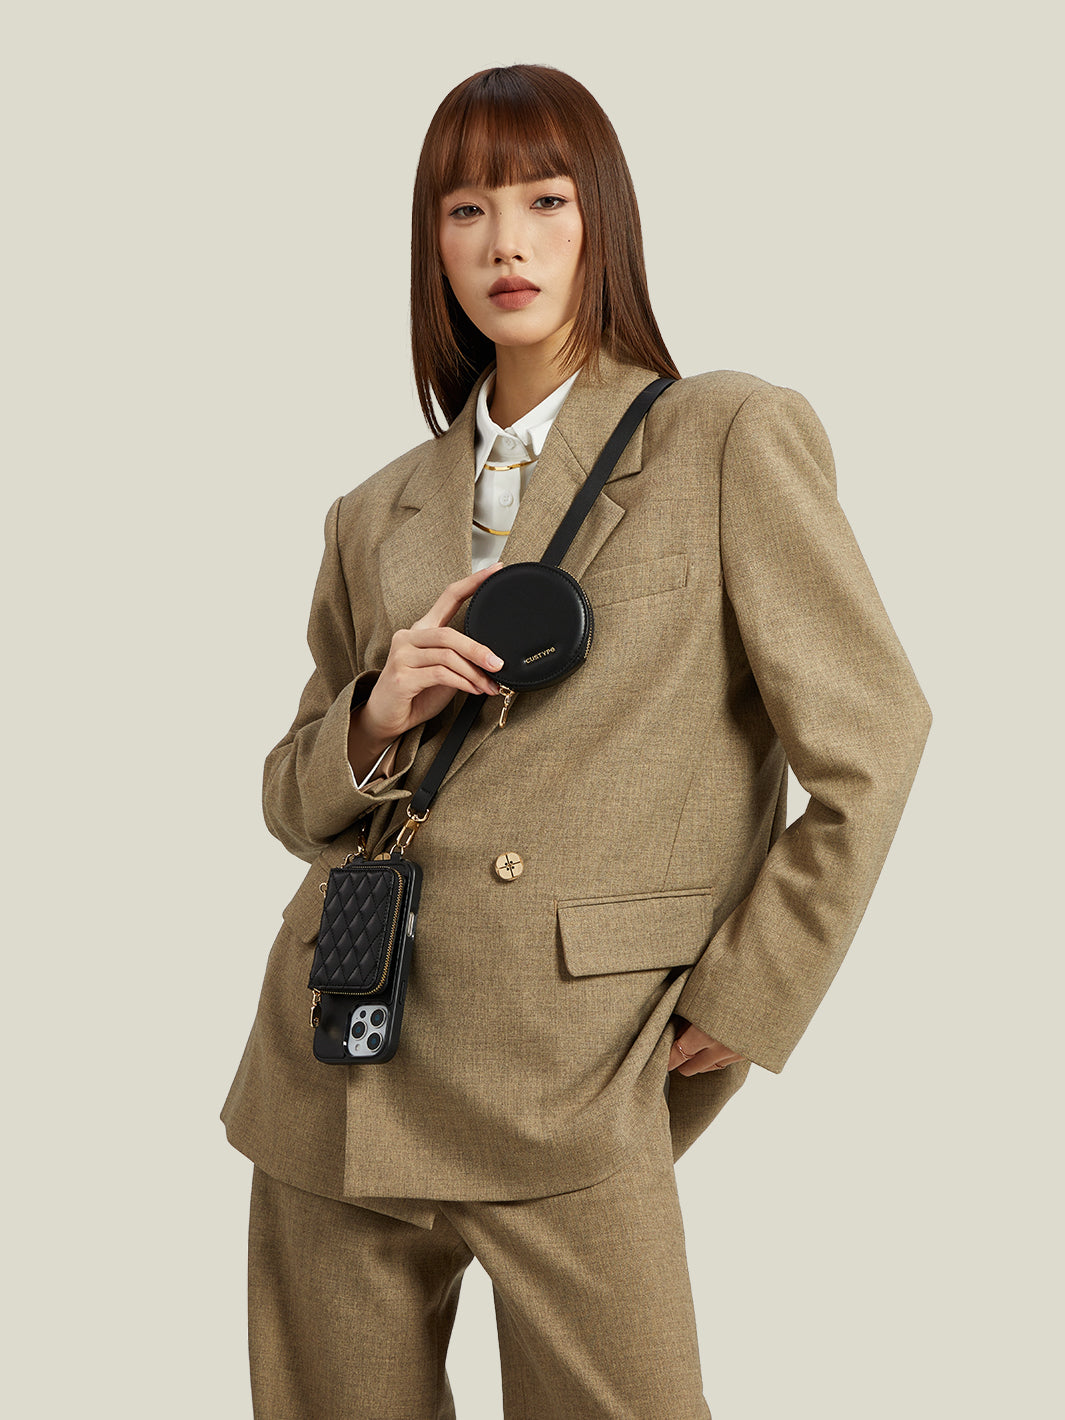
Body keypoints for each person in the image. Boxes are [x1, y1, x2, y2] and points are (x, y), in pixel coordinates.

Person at [221, 63, 932, 1419]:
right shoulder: (375, 510)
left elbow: (874, 735)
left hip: (575, 1058)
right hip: (339, 1053)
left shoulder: (725, 433)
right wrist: (375, 715)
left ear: (602, 216)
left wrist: (748, 989)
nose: (508, 243)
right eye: (467, 209)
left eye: (545, 200)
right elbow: (293, 799)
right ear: (432, 246)